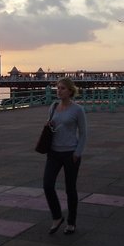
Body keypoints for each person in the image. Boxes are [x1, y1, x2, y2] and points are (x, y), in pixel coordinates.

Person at [43, 78, 87, 235]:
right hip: (54, 152)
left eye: (62, 88)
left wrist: (77, 153)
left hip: (70, 154)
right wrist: (49, 125)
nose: (59, 90)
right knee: (47, 185)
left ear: (70, 91)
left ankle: (71, 222)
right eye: (58, 88)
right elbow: (50, 124)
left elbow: (83, 134)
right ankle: (57, 216)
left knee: (70, 189)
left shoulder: (78, 110)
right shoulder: (53, 106)